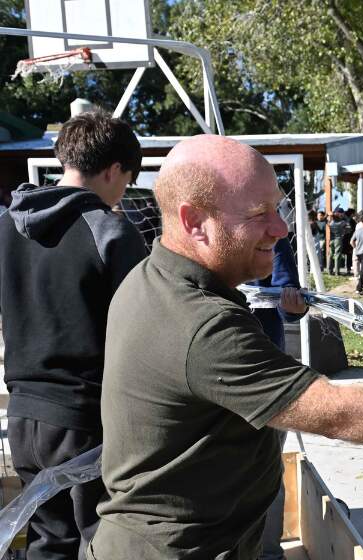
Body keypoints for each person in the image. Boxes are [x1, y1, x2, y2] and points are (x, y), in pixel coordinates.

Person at [88, 134, 363, 559]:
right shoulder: (203, 324)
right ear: (194, 221)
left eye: (277, 207)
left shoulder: (151, 277)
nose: (279, 228)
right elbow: (338, 412)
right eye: (259, 213)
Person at [0, 112, 148, 560]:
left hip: (24, 419)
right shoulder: (111, 232)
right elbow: (144, 326)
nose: (123, 193)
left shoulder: (7, 226)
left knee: (49, 541)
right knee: (102, 541)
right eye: (126, 180)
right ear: (113, 170)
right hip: (86, 420)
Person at [247, 237, 308, 560]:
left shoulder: (272, 237)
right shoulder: (200, 231)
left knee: (267, 469)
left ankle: (269, 553)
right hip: (210, 375)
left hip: (266, 375)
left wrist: (294, 307)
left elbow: (291, 303)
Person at [327, 207, 348, 275]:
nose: (342, 214)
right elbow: (347, 224)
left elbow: (326, 220)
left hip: (331, 239)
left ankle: (329, 271)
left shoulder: (330, 221)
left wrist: (331, 215)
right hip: (338, 239)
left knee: (330, 255)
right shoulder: (342, 222)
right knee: (337, 255)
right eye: (341, 213)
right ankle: (337, 272)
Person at [343, 208, 357, 274]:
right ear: (352, 214)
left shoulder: (344, 219)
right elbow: (354, 230)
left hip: (344, 238)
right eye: (354, 213)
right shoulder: (351, 221)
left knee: (347, 254)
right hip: (350, 239)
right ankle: (348, 268)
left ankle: (347, 267)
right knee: (349, 254)